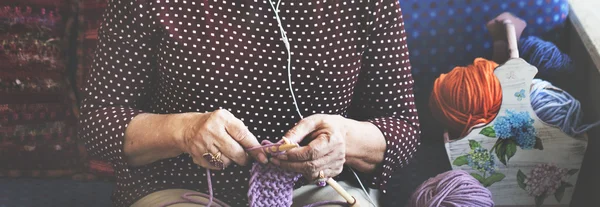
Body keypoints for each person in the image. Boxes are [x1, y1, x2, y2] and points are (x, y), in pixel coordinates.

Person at [78, 0, 420, 206]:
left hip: (319, 188)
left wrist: (346, 141)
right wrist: (182, 132)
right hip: (177, 185)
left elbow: (402, 126)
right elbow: (97, 122)